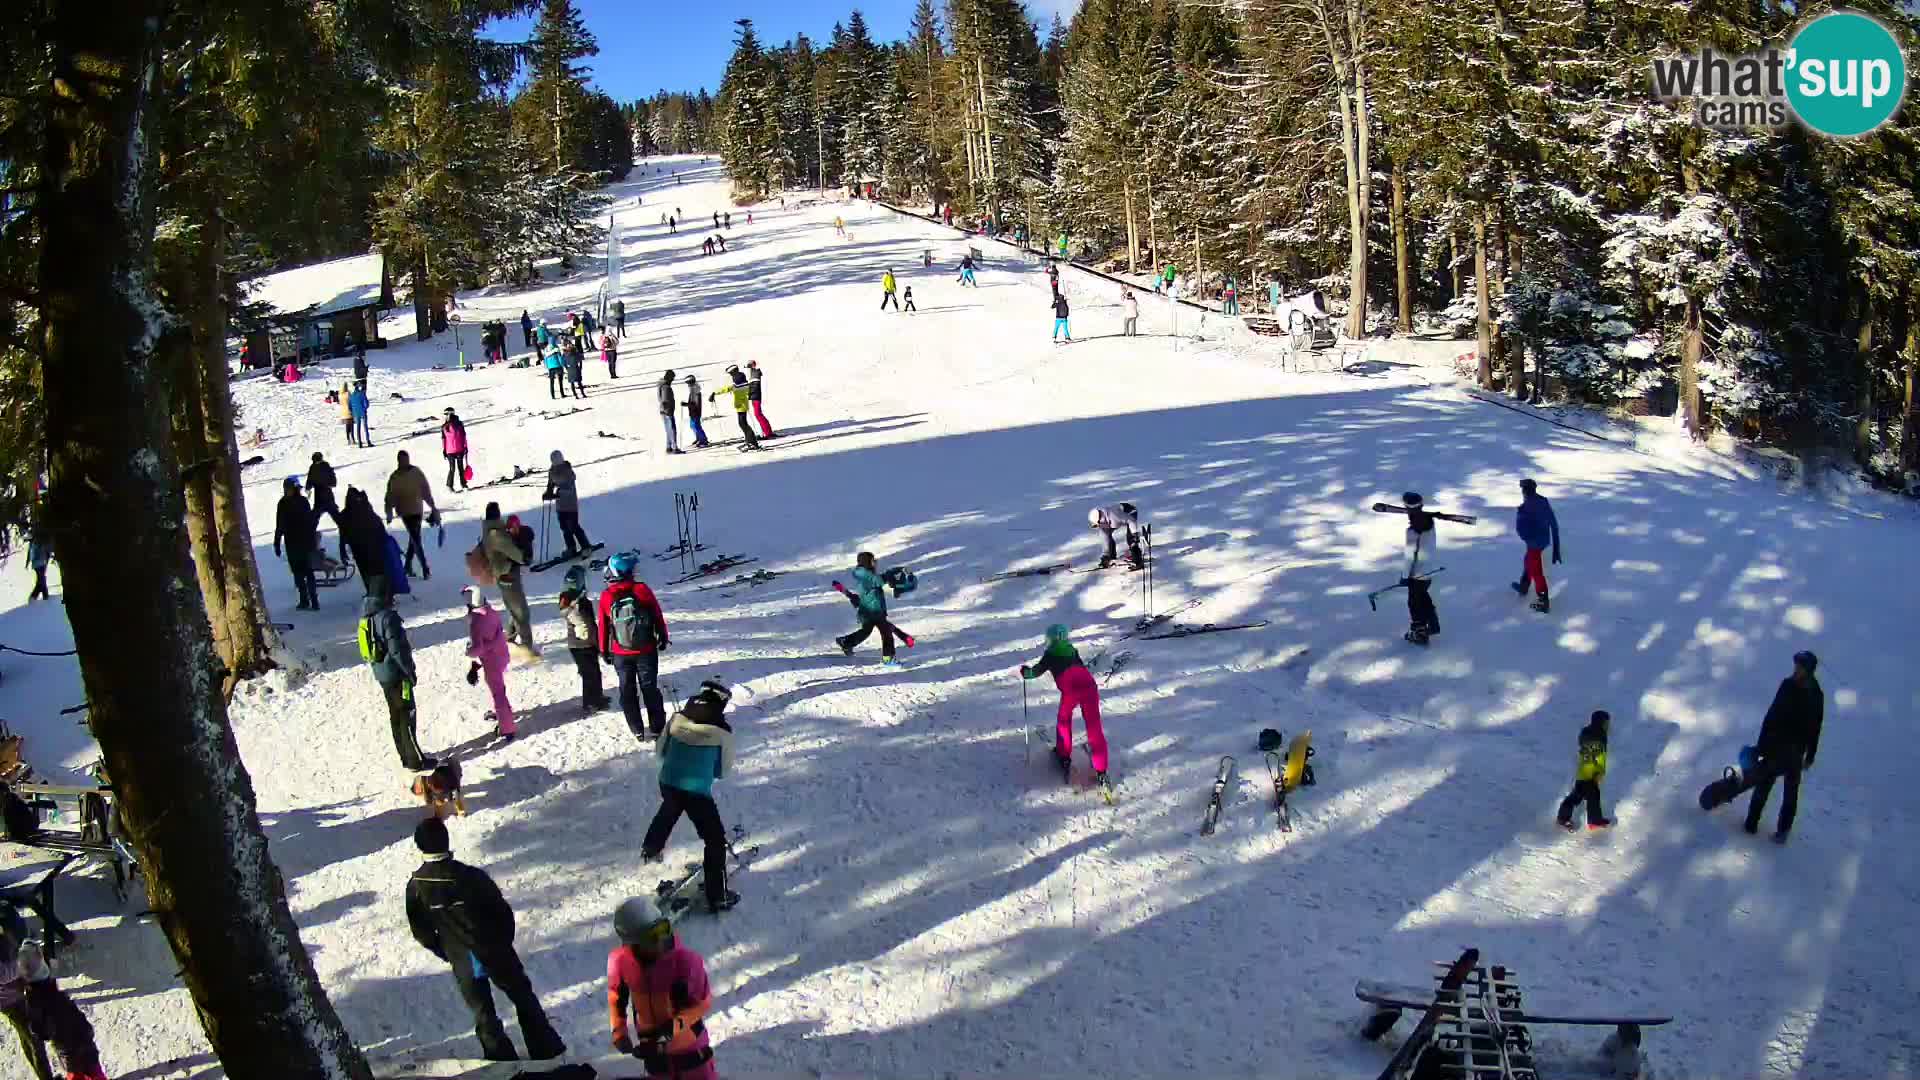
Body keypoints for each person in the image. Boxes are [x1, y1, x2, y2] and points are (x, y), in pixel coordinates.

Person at [406, 818, 565, 1062]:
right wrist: (502, 942)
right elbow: (502, 912)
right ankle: (544, 1048)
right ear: (446, 841)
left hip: (462, 958)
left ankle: (501, 1060)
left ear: (420, 846)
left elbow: (422, 932)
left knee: (483, 1012)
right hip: (493, 948)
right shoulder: (470, 876)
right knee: (522, 995)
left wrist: (446, 951)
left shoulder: (416, 887)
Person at [641, 680, 740, 915]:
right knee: (714, 841)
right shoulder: (723, 733)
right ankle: (717, 896)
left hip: (668, 781)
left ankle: (651, 847)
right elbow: (723, 772)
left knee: (671, 806)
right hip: (696, 791)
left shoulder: (676, 718)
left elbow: (660, 751)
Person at [606, 897, 719, 1078]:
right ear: (632, 942)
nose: (660, 940)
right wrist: (619, 1031)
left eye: (663, 929)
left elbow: (702, 1004)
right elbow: (616, 996)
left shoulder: (687, 961)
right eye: (651, 936)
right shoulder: (620, 962)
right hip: (654, 1054)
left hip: (690, 1051)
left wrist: (671, 1029)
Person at [1743, 651, 1824, 844]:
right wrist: (1761, 745)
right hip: (1775, 745)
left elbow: (1816, 726)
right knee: (1764, 783)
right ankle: (1751, 823)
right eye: (1796, 665)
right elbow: (1771, 716)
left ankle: (1783, 831)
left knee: (1790, 792)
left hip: (1795, 750)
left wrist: (1810, 755)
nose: (1796, 669)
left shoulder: (1815, 695)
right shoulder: (1787, 685)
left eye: (1800, 667)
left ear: (1809, 670)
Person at [1019, 624, 1109, 785]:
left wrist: (1026, 672)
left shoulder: (1050, 654)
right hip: (1089, 686)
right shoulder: (1072, 650)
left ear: (1050, 639)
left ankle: (1064, 754)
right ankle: (1101, 769)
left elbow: (1036, 671)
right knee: (1094, 727)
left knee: (1064, 720)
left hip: (1071, 691)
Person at [598, 552, 671, 740]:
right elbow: (656, 614)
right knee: (649, 688)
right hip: (646, 649)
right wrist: (663, 636)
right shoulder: (642, 590)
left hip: (620, 652)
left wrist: (604, 650)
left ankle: (637, 729)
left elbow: (604, 626)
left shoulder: (607, 596)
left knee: (627, 690)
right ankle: (657, 728)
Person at [360, 590, 432, 772]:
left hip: (382, 675)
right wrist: (410, 672)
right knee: (407, 715)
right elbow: (398, 650)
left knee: (396, 716)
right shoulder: (388, 618)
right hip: (398, 675)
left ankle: (405, 757)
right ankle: (416, 761)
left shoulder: (367, 617)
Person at [17, 941, 105, 1080]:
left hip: (66, 1049)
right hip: (84, 1037)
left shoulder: (33, 999)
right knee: (95, 1070)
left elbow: (40, 1031)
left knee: (75, 1075)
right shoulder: (54, 989)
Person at [1, 904, 57, 1080]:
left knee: (28, 1036)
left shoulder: (7, 920)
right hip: (9, 1002)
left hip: (17, 993)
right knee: (33, 1038)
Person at [479, 504, 537, 658]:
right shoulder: (497, 535)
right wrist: (526, 542)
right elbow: (520, 557)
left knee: (514, 607)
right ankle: (526, 647)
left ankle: (509, 638)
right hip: (507, 575)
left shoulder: (490, 530)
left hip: (503, 574)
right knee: (521, 612)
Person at [462, 586, 517, 740]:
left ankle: (507, 728)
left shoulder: (476, 620)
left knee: (498, 693)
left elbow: (477, 648)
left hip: (491, 661)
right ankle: (504, 713)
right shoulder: (491, 611)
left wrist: (469, 652)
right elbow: (496, 636)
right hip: (501, 655)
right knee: (500, 689)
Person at [834, 552, 906, 664]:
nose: (875, 563)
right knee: (886, 633)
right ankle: (888, 659)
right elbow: (879, 581)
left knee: (866, 631)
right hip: (873, 610)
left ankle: (846, 642)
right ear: (867, 562)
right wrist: (892, 574)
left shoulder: (865, 574)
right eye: (873, 561)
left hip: (871, 610)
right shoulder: (865, 575)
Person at [560, 566, 610, 716]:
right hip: (582, 644)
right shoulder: (575, 602)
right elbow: (584, 623)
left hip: (583, 644)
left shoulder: (574, 599)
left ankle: (597, 697)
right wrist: (598, 644)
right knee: (590, 674)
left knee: (594, 673)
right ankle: (590, 703)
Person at [384, 450, 438, 581]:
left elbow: (425, 490)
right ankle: (425, 568)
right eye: (402, 460)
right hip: (405, 512)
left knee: (414, 539)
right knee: (416, 538)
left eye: (406, 459)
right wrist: (389, 512)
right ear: (398, 461)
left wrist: (432, 506)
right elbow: (390, 496)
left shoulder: (416, 472)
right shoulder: (395, 477)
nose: (404, 462)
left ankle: (407, 566)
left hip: (417, 510)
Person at [1555, 710, 1612, 830]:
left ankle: (1568, 818)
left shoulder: (1589, 734)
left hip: (1585, 772)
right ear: (1600, 723)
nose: (1607, 726)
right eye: (1606, 723)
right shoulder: (1598, 736)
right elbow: (1597, 756)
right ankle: (1591, 820)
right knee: (1585, 796)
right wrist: (1598, 771)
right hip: (1590, 773)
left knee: (1585, 796)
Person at [1511, 478, 1562, 613]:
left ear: (1524, 491)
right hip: (1544, 540)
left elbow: (1521, 530)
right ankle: (1523, 586)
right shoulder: (1543, 501)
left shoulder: (1525, 508)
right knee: (1528, 561)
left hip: (1534, 543)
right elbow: (1554, 523)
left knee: (1536, 570)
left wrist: (1528, 538)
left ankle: (1543, 601)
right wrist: (1556, 546)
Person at [1400, 491, 1441, 645]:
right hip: (1431, 570)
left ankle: (1420, 632)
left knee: (1414, 602)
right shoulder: (1430, 523)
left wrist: (1404, 576)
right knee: (1422, 597)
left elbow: (1409, 556)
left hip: (1417, 573)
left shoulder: (1412, 532)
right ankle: (1432, 621)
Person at [273, 477, 321, 611]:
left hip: (300, 542)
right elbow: (281, 524)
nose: (287, 491)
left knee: (304, 572)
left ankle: (310, 600)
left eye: (288, 488)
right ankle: (307, 600)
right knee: (302, 572)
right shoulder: (294, 502)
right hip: (299, 542)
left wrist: (277, 542)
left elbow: (281, 524)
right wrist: (277, 542)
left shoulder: (290, 503)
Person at [339, 487, 392, 598]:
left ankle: (372, 592)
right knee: (378, 569)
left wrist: (342, 549)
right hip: (374, 544)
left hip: (358, 547)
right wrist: (384, 538)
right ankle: (386, 594)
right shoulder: (366, 508)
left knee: (366, 571)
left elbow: (343, 534)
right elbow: (377, 523)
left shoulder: (345, 514)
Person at [542, 450, 593, 557]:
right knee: (564, 527)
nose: (556, 463)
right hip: (560, 505)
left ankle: (586, 546)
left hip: (570, 504)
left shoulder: (567, 471)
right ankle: (571, 547)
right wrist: (548, 493)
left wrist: (557, 494)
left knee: (573, 526)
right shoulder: (552, 471)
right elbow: (550, 484)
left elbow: (569, 489)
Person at [306, 451, 348, 566]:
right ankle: (343, 550)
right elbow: (332, 482)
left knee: (312, 524)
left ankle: (343, 550)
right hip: (325, 501)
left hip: (323, 501)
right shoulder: (320, 467)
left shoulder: (318, 467)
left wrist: (313, 487)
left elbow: (332, 483)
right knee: (339, 524)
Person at [709, 366, 758, 451]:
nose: (731, 376)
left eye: (731, 374)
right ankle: (750, 442)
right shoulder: (743, 381)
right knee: (743, 424)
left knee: (743, 424)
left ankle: (752, 442)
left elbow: (727, 389)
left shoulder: (737, 384)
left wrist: (714, 393)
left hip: (741, 406)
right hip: (742, 405)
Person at [1087, 503, 1143, 569]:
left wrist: (1134, 533)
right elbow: (1105, 539)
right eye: (1096, 525)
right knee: (1105, 536)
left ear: (1100, 519)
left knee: (1131, 538)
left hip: (1129, 512)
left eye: (1097, 524)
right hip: (1113, 520)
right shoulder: (1102, 523)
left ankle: (1137, 560)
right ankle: (1110, 556)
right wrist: (1106, 556)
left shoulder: (1114, 516)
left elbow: (1131, 521)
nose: (1097, 526)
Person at [745, 360, 776, 438]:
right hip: (754, 396)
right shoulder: (752, 373)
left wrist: (749, 393)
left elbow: (755, 386)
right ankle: (766, 431)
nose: (748, 368)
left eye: (749, 366)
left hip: (756, 396)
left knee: (758, 414)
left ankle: (768, 432)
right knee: (758, 414)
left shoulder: (755, 373)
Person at [442, 408, 470, 491]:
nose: (446, 416)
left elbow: (463, 435)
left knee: (460, 468)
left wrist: (465, 446)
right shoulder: (444, 426)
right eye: (445, 414)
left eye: (447, 414)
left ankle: (463, 485)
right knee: (452, 469)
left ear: (451, 414)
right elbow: (444, 439)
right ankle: (449, 486)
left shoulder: (459, 424)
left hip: (459, 449)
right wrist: (444, 450)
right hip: (450, 451)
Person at [23, 526, 51, 603]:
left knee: (41, 579)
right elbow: (30, 554)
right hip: (39, 563)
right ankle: (43, 596)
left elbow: (45, 551)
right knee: (41, 579)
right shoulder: (34, 543)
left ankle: (37, 596)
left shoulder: (37, 542)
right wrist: (27, 562)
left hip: (40, 562)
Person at [683, 375, 710, 448]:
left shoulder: (695, 391)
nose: (687, 385)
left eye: (688, 383)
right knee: (692, 426)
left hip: (696, 412)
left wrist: (686, 404)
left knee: (696, 426)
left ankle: (704, 440)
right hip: (692, 412)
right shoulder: (692, 389)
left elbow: (695, 404)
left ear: (691, 382)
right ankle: (698, 438)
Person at [348, 382, 371, 446]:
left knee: (358, 427)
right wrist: (364, 408)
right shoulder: (362, 394)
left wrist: (353, 412)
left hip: (356, 413)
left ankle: (360, 442)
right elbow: (366, 404)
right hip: (362, 412)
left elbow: (349, 406)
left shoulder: (351, 395)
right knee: (365, 427)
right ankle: (368, 441)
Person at [339, 381, 358, 446]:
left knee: (347, 427)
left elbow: (340, 403)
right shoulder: (348, 393)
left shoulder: (340, 394)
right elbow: (351, 401)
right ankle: (353, 439)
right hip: (349, 411)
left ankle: (348, 439)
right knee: (351, 426)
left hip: (343, 413)